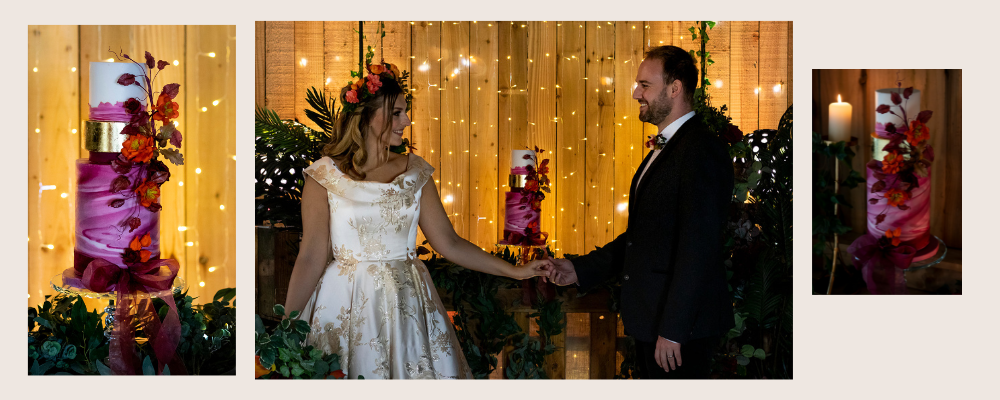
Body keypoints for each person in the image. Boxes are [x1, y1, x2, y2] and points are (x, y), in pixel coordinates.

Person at [283, 62, 552, 379]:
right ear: (368, 116)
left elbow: (449, 243)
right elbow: (311, 256)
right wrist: (287, 328)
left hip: (407, 303)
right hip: (344, 303)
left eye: (405, 112)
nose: (406, 121)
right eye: (397, 113)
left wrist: (517, 272)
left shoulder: (415, 173)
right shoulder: (323, 177)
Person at [542, 46, 734, 379]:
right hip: (655, 325)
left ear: (675, 89)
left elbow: (698, 248)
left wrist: (673, 330)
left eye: (644, 85)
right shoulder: (667, 148)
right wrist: (579, 269)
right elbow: (645, 237)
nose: (635, 93)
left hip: (679, 334)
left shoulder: (701, 150)